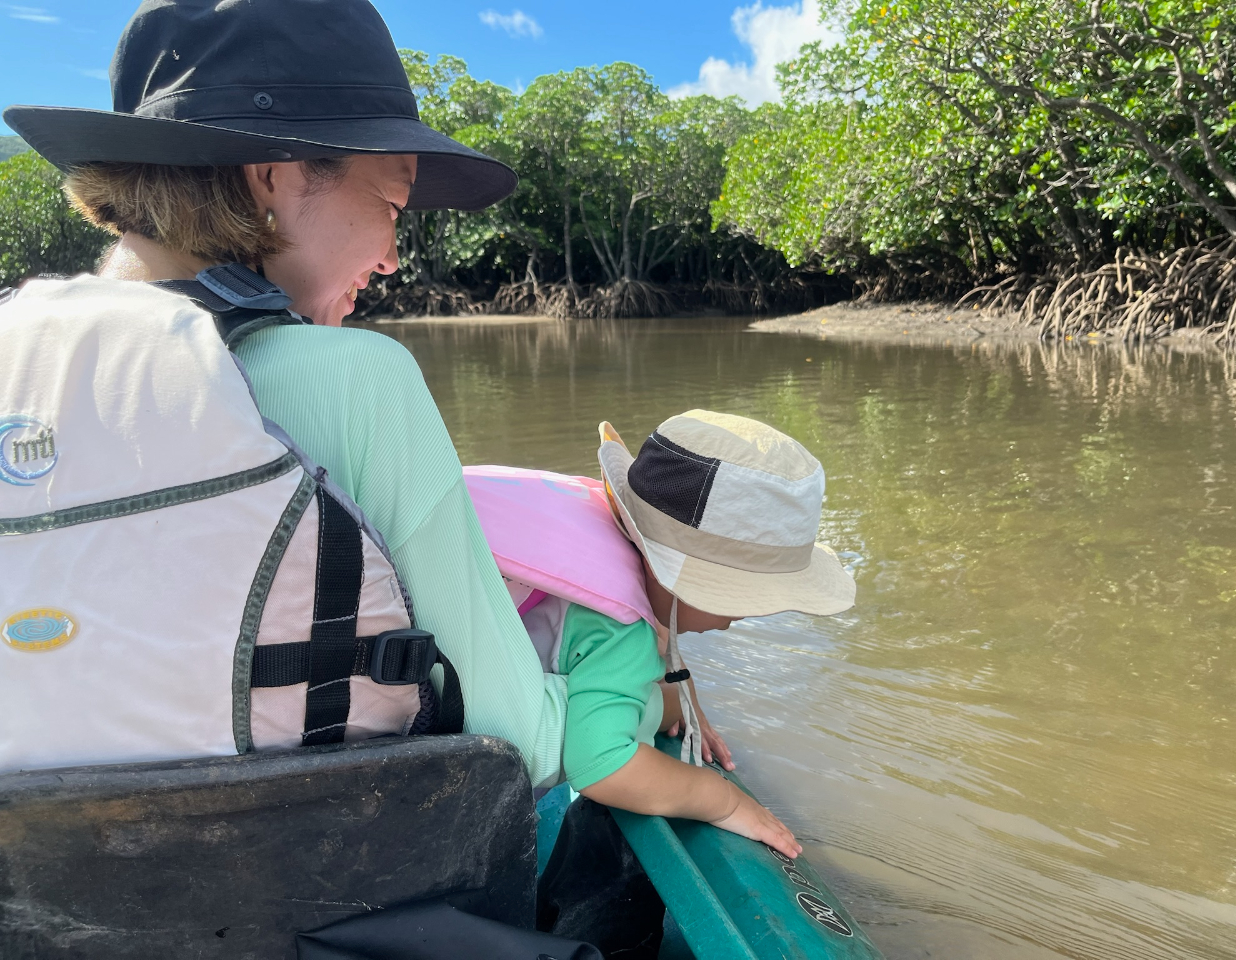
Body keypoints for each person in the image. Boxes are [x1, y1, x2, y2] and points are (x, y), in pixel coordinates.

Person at [1, 0, 568, 787]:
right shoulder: (356, 382)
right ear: (278, 176)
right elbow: (521, 748)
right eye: (391, 207)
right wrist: (608, 674)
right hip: (317, 894)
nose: (394, 257)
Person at [464, 410, 857, 955]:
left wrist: (681, 689)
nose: (741, 618)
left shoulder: (595, 527)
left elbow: (658, 630)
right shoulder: (621, 632)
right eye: (742, 601)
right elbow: (600, 764)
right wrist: (721, 801)